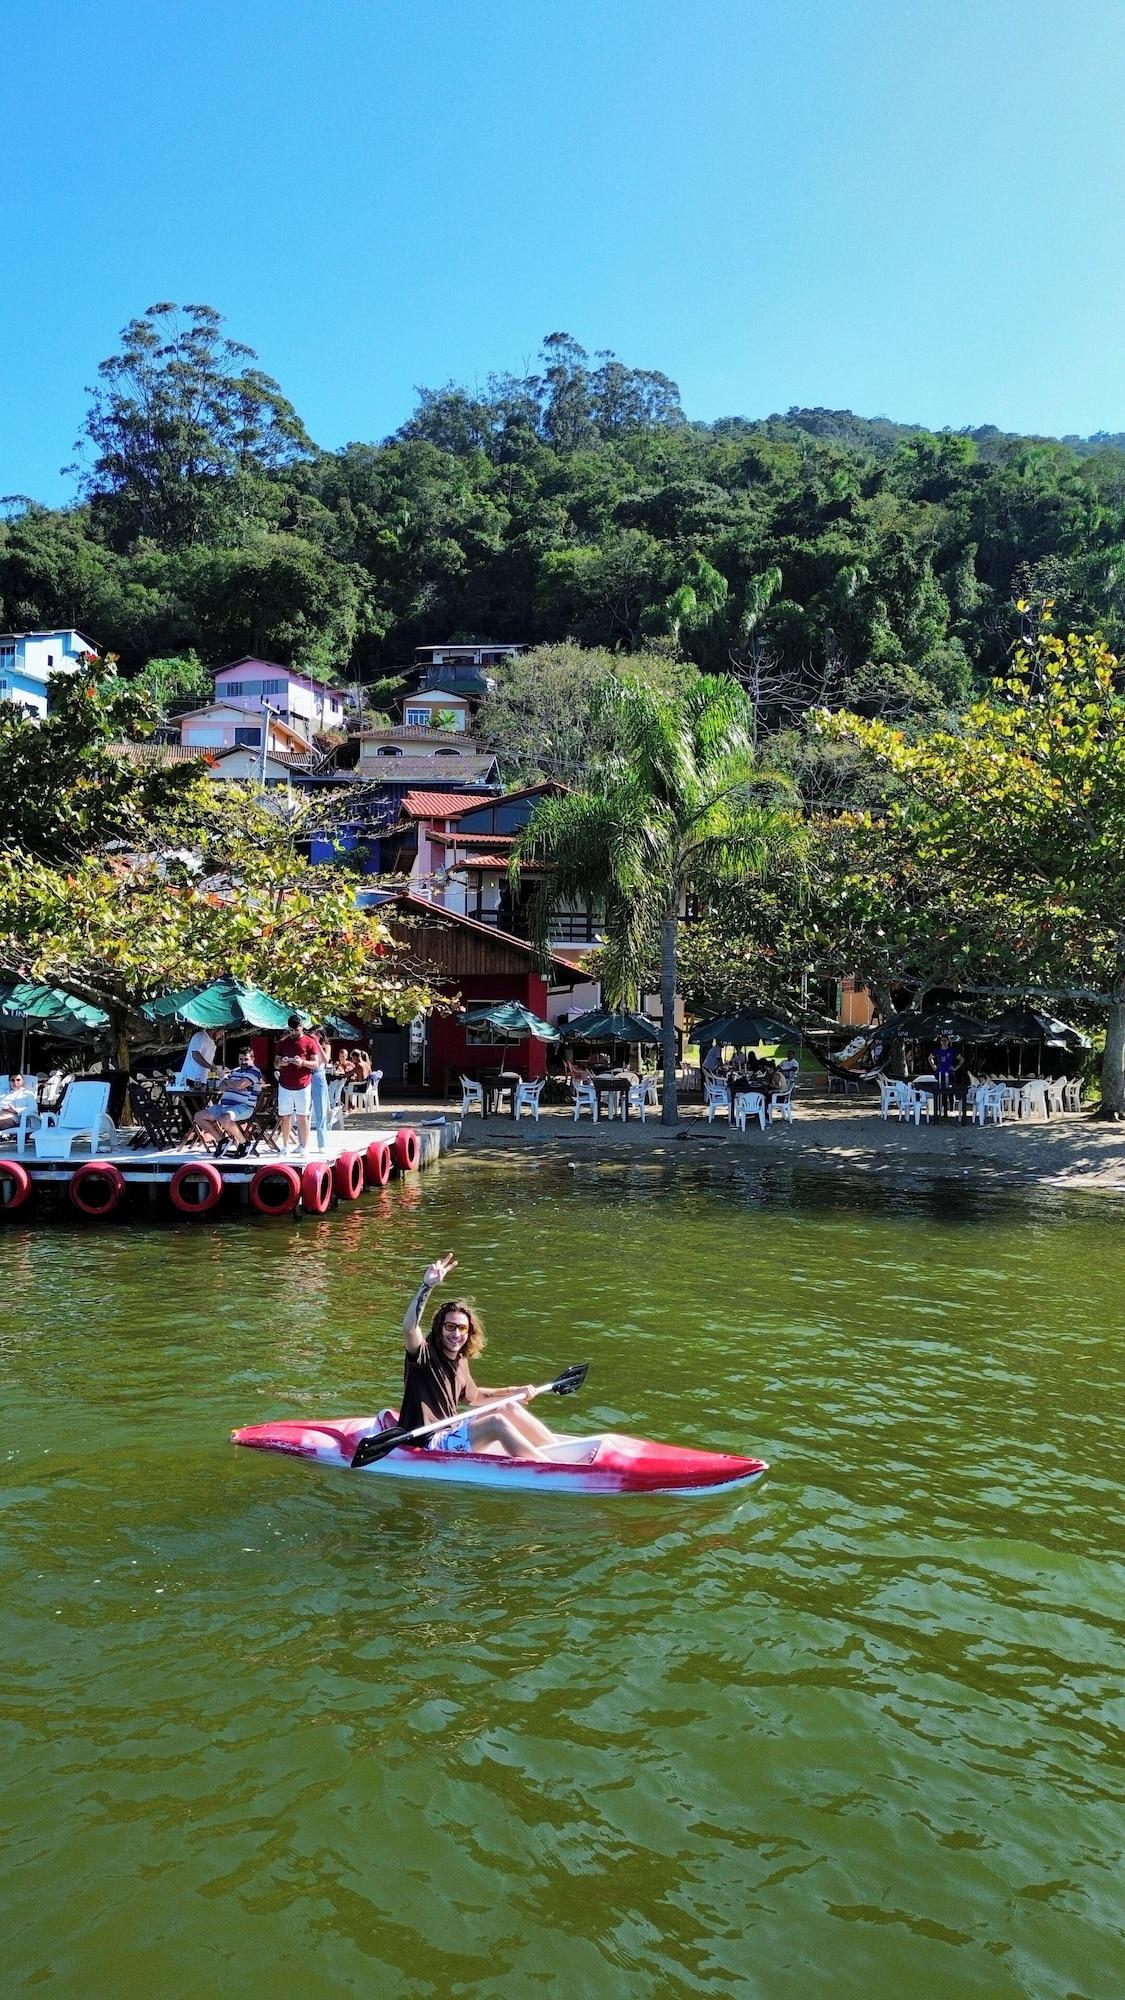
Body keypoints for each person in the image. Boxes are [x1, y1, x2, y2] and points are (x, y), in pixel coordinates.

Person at [398, 1253, 557, 1459]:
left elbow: (475, 1398)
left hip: (452, 1429)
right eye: (450, 1326)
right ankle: (546, 1467)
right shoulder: (424, 1354)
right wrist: (427, 1286)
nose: (456, 1334)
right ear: (439, 1329)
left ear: (468, 1332)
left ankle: (559, 1452)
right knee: (496, 1422)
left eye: (462, 1328)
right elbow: (410, 1328)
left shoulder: (460, 1359)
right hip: (428, 1441)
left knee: (507, 1407)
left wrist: (514, 1391)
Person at [190, 1050, 263, 1151]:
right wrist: (234, 1084)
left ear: (252, 1059)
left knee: (225, 1119)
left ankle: (244, 1143)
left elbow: (239, 1085)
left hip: (243, 1107)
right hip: (224, 1107)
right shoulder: (235, 1071)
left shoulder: (254, 1072)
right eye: (241, 1059)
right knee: (199, 1116)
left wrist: (231, 1083)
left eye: (246, 1059)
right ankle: (222, 1141)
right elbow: (221, 1087)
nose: (243, 1062)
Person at [275, 1014, 320, 1152]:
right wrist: (281, 1062)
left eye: (296, 1030)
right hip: (285, 1084)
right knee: (285, 1116)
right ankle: (285, 1146)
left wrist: (302, 1062)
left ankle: (304, 1146)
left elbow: (316, 1064)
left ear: (302, 1027)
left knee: (302, 1115)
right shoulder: (282, 1042)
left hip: (303, 1084)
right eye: (291, 1030)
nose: (293, 1033)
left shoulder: (309, 1042)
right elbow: (276, 1063)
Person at [171, 1027, 216, 1093]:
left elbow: (208, 1059)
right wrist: (210, 1067)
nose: (222, 1035)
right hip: (191, 1077)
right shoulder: (200, 1036)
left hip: (203, 1078)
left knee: (201, 1100)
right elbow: (195, 1055)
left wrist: (215, 1068)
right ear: (214, 1030)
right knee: (193, 1100)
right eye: (221, 1032)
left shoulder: (212, 1042)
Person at [931, 1034, 957, 1118]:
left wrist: (955, 1068)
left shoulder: (952, 1050)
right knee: (941, 1091)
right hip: (940, 1073)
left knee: (950, 1090)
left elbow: (961, 1059)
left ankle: (951, 1108)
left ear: (948, 1041)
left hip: (950, 1073)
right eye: (942, 1040)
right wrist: (934, 1066)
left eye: (945, 1040)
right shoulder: (937, 1050)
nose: (943, 1042)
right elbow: (930, 1058)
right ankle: (941, 1109)